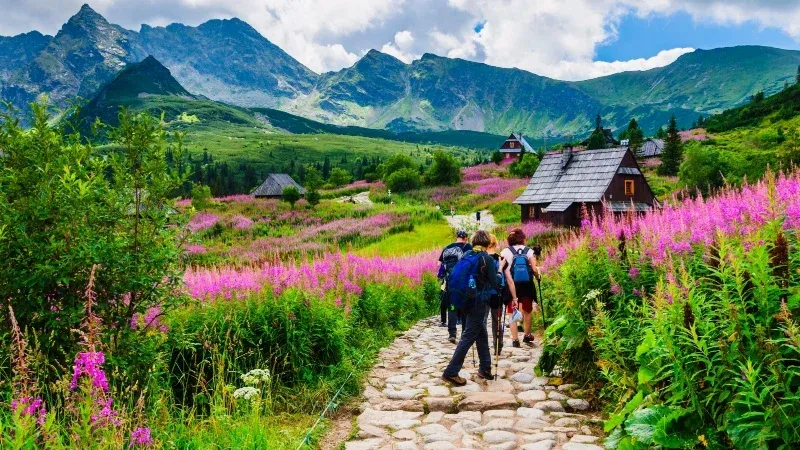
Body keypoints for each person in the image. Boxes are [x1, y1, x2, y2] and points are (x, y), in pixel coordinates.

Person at [441, 230, 502, 385]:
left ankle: (485, 368)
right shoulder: (486, 258)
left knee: (480, 333)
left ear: (474, 241)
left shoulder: (468, 254)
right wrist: (500, 273)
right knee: (468, 336)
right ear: (487, 242)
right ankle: (451, 372)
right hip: (479, 302)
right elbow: (495, 283)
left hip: (465, 300)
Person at [500, 228, 541, 347]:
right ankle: (527, 335)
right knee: (527, 310)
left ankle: (515, 339)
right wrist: (538, 277)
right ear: (522, 238)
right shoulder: (529, 251)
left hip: (511, 283)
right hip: (526, 284)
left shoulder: (505, 251)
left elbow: (502, 269)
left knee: (512, 311)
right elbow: (533, 269)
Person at [438, 229, 471, 342]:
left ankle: (452, 333)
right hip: (463, 282)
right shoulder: (468, 247)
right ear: (465, 237)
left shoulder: (447, 247)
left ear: (456, 237)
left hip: (449, 281)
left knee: (452, 307)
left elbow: (439, 263)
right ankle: (464, 334)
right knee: (464, 307)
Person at [487, 234, 515, 354]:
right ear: (495, 244)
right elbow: (509, 280)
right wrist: (514, 297)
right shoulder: (501, 258)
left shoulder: (480, 258)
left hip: (483, 293)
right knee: (496, 321)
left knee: (481, 321)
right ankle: (498, 345)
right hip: (497, 294)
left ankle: (481, 346)